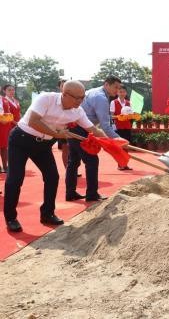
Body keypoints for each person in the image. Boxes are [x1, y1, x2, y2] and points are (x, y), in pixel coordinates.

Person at [3, 80, 107, 232]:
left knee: (52, 177)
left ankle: (47, 213)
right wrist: (57, 134)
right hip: (21, 139)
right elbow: (33, 121)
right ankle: (11, 217)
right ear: (64, 94)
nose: (80, 101)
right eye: (76, 98)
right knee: (15, 178)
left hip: (44, 144)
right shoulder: (47, 98)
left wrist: (112, 142)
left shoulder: (78, 111)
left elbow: (93, 129)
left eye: (82, 98)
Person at [66, 75, 123, 202]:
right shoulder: (101, 98)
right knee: (91, 161)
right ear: (106, 85)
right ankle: (92, 194)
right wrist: (118, 140)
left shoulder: (94, 91)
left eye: (119, 88)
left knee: (73, 161)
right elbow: (105, 125)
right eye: (115, 87)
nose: (117, 90)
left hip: (73, 126)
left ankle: (70, 192)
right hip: (81, 128)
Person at [110, 84, 133, 170]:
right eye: (120, 92)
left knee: (126, 146)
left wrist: (132, 116)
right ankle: (120, 164)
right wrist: (119, 117)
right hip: (118, 127)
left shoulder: (128, 103)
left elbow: (130, 115)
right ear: (117, 93)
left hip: (127, 127)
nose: (122, 93)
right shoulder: (113, 102)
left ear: (126, 93)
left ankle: (125, 164)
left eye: (123, 92)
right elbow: (111, 116)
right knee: (119, 146)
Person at [0, 84, 21, 172]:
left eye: (13, 90)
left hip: (7, 125)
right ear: (4, 91)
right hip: (9, 124)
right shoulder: (5, 99)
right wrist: (15, 123)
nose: (12, 91)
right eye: (9, 90)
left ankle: (7, 165)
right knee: (4, 146)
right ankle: (5, 166)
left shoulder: (8, 100)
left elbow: (15, 113)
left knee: (6, 146)